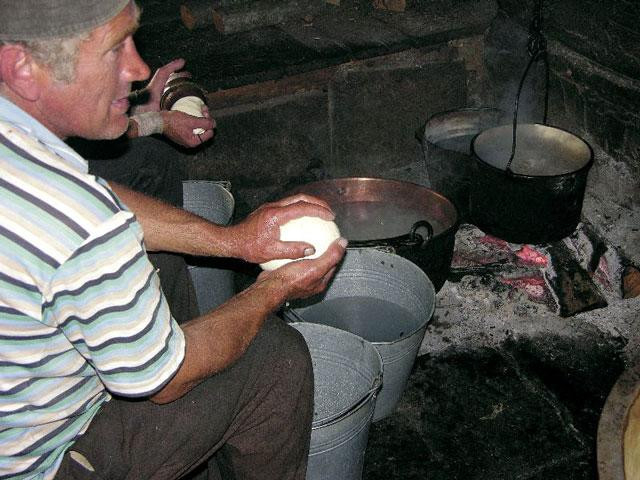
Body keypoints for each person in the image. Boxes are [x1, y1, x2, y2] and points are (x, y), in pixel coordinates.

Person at [0, 2, 347, 480]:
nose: (139, 68)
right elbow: (166, 380)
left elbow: (103, 193)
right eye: (112, 49)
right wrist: (272, 290)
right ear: (22, 68)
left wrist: (235, 242)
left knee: (164, 266)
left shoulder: (21, 144)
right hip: (37, 461)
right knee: (274, 358)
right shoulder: (79, 223)